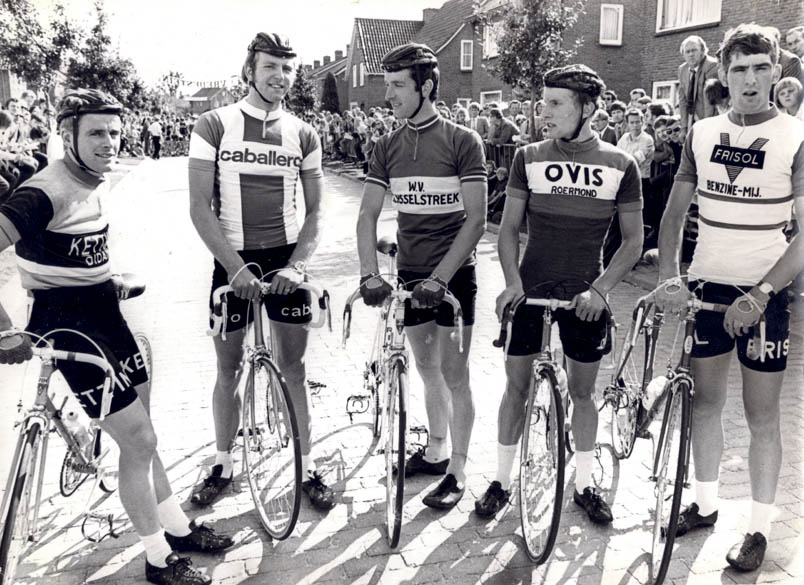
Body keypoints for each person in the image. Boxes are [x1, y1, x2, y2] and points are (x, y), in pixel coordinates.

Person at [0, 89, 233, 585]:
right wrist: (3, 328)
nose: (110, 142)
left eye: (115, 132)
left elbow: (70, 253)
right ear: (67, 136)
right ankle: (156, 559)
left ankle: (175, 526)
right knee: (139, 438)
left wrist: (106, 278)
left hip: (104, 311)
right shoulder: (42, 191)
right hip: (65, 324)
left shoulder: (91, 180)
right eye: (96, 133)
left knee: (143, 435)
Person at [656, 23, 804, 572]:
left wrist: (763, 292)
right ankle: (705, 503)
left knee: (762, 416)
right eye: (739, 69)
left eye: (761, 67)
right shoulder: (701, 134)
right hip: (706, 285)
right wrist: (671, 278)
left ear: (776, 71)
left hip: (764, 294)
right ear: (722, 75)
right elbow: (674, 214)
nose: (750, 79)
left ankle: (760, 529)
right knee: (706, 403)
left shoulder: (795, 135)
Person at [474, 65, 643, 524]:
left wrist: (601, 290)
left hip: (585, 296)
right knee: (516, 387)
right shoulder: (527, 156)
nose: (542, 112)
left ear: (587, 108)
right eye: (541, 102)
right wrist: (512, 281)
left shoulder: (621, 165)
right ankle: (502, 481)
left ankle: (585, 484)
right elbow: (507, 229)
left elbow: (633, 242)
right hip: (530, 289)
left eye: (554, 103)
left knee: (584, 395)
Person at [188, 32, 333, 512]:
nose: (280, 77)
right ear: (249, 70)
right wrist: (233, 269)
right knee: (227, 368)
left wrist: (298, 264)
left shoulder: (304, 133)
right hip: (234, 263)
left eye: (288, 69)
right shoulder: (213, 124)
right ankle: (223, 463)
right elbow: (199, 207)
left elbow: (315, 213)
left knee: (294, 367)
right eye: (271, 66)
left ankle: (307, 467)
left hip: (284, 262)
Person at [356, 42, 487, 510]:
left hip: (453, 277)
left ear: (426, 86)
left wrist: (441, 279)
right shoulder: (386, 146)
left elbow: (476, 220)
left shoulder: (461, 140)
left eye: (397, 86)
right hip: (411, 274)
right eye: (386, 85)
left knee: (456, 375)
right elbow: (368, 214)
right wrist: (369, 274)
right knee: (427, 368)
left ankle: (458, 471)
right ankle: (436, 450)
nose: (387, 96)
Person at [678, 35, 720, 134]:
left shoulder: (712, 66)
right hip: (692, 118)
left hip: (710, 118)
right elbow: (682, 99)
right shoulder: (682, 69)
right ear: (683, 54)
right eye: (687, 52)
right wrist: (684, 127)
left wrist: (707, 126)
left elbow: (710, 100)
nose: (691, 54)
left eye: (694, 50)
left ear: (702, 51)